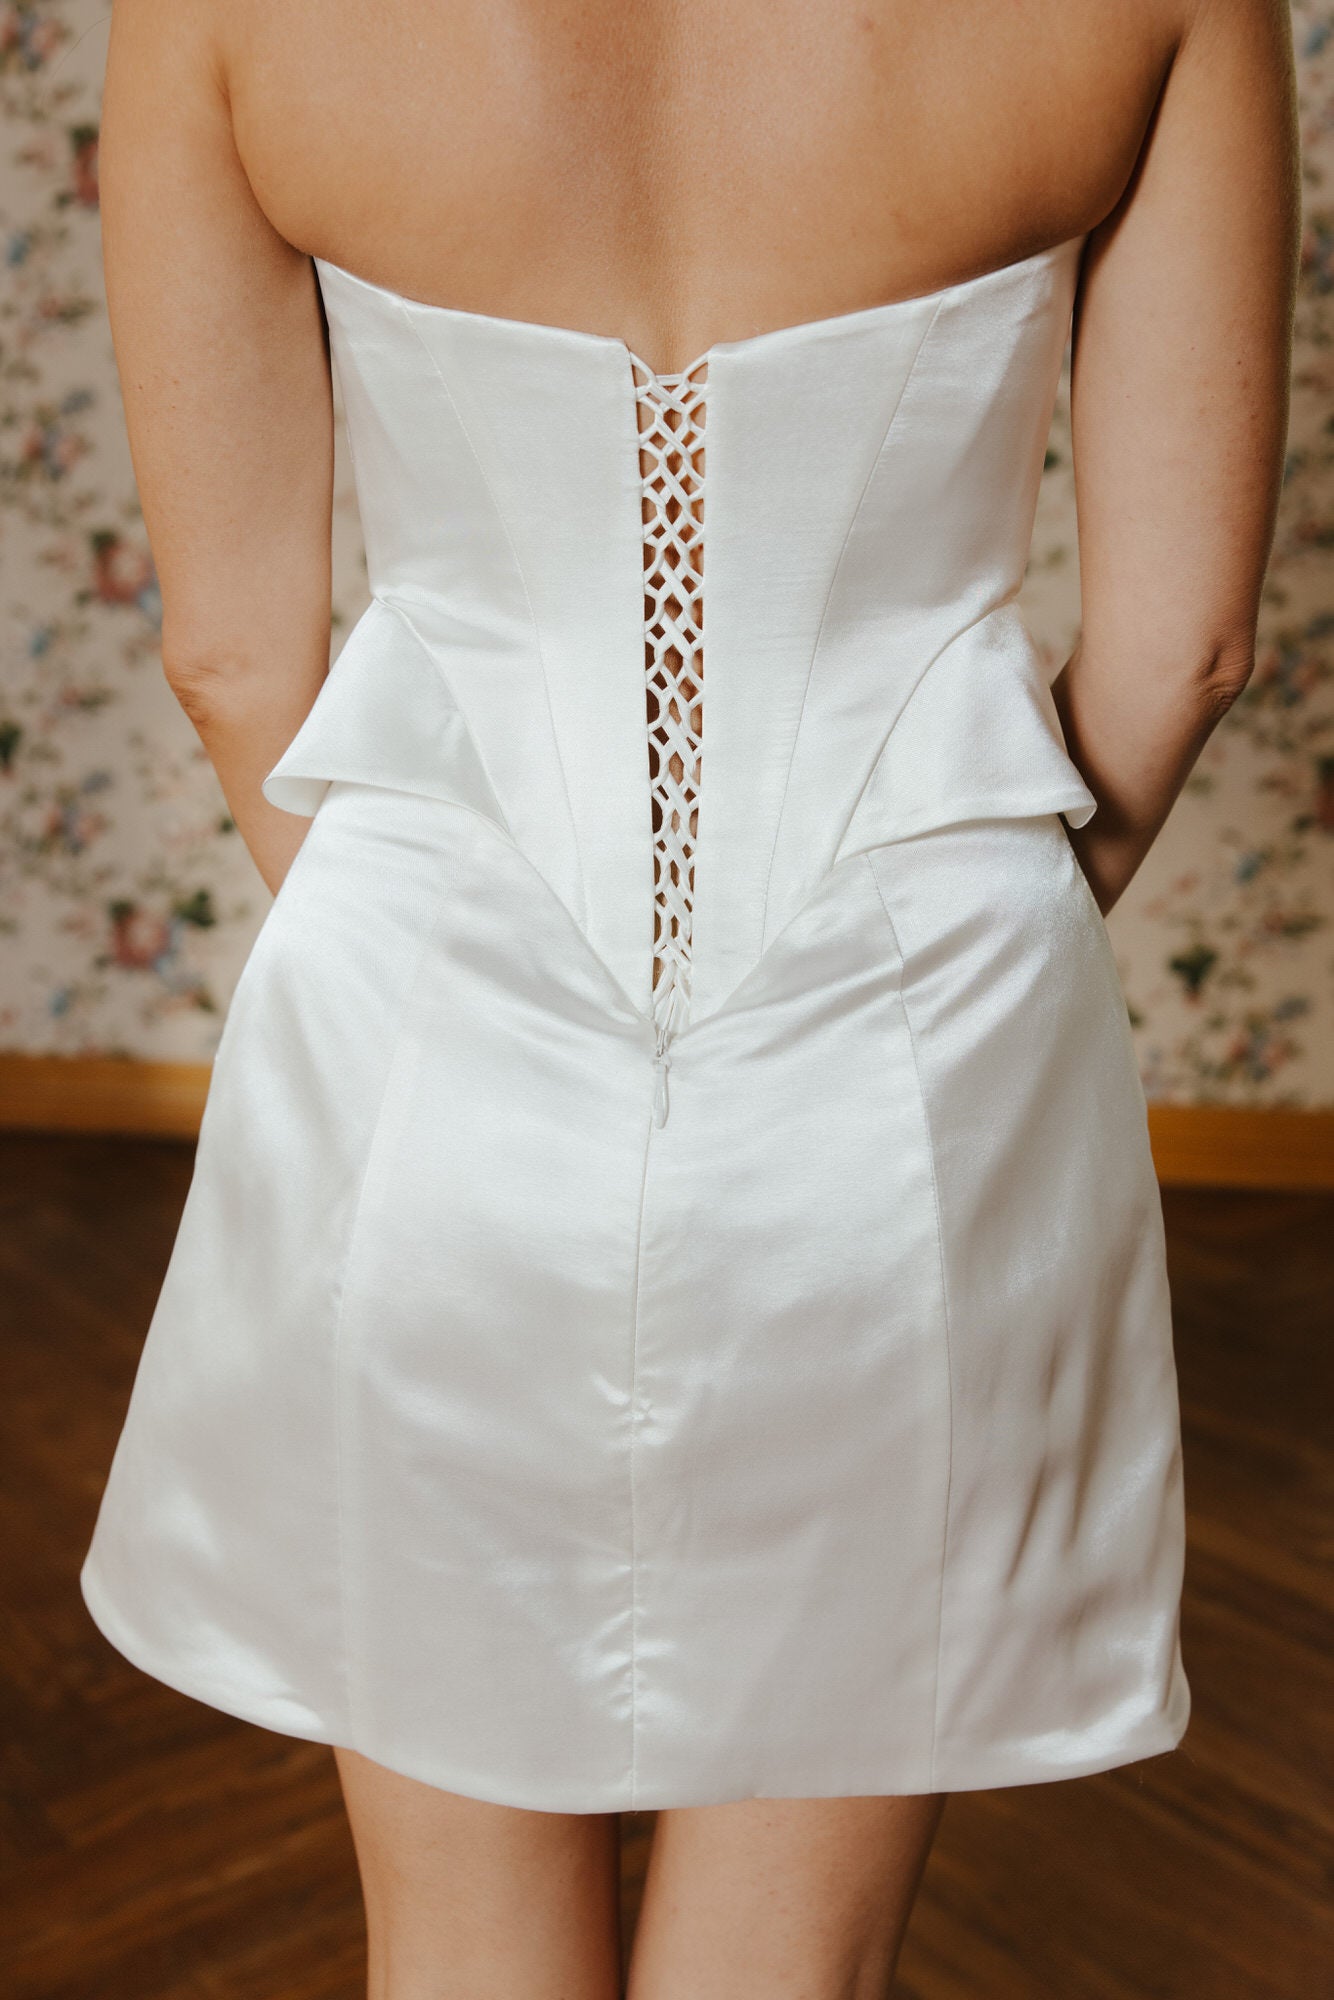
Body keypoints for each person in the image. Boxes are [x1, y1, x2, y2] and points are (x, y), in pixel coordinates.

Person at [80, 3, 1299, 1995]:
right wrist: (955, 960)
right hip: (919, 1060)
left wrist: (440, 967)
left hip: (429, 1039)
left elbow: (228, 652)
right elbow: (1183, 649)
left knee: (460, 1945)